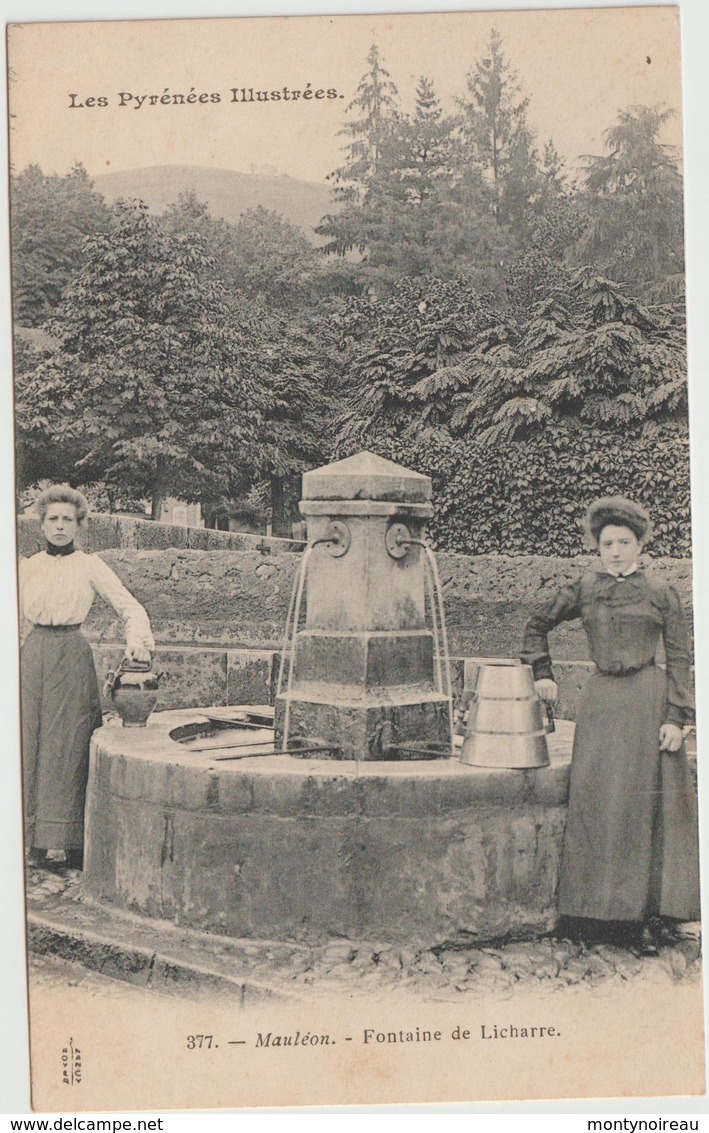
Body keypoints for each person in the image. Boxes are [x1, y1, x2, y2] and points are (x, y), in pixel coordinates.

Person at [521, 496, 699, 951]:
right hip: (600, 705)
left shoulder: (662, 593)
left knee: (643, 809)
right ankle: (589, 913)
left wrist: (678, 718)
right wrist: (543, 674)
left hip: (648, 703)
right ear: (597, 548)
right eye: (607, 544)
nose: (616, 551)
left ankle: (643, 915)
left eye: (624, 542)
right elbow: (535, 626)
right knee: (596, 803)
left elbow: (680, 657)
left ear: (640, 544)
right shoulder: (585, 588)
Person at [20, 486, 155, 872]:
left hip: (72, 656)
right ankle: (34, 841)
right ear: (42, 524)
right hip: (33, 656)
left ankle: (74, 841)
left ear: (78, 524)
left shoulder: (89, 565)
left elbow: (130, 606)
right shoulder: (27, 567)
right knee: (29, 741)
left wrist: (137, 642)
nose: (60, 527)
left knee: (71, 745)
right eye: (53, 519)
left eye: (67, 519)